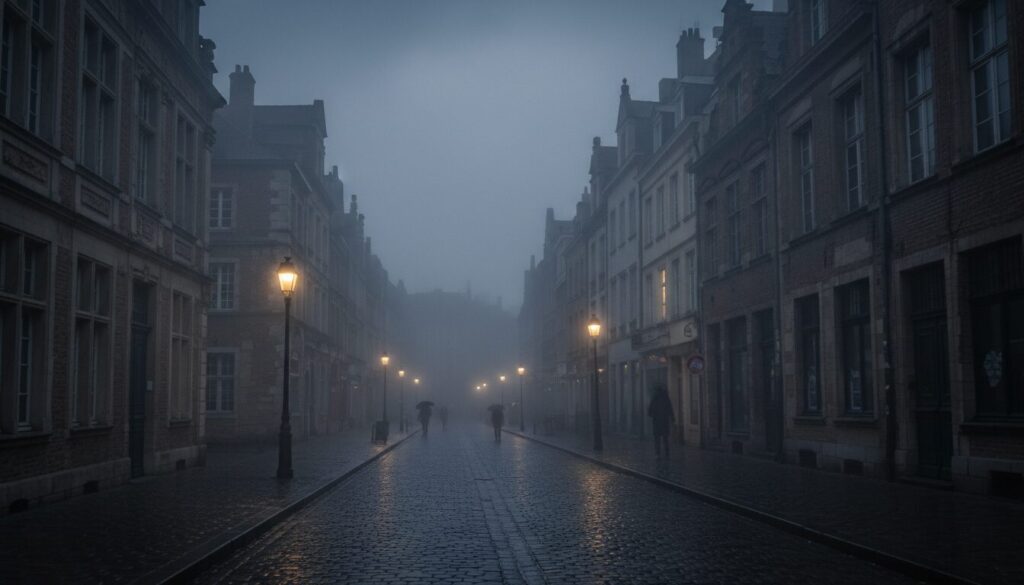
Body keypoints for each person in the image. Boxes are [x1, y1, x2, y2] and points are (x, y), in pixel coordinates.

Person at [648, 386, 675, 458]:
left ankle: (658, 454)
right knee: (665, 439)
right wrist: (672, 418)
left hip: (656, 422)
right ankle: (667, 453)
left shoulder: (654, 398)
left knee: (657, 440)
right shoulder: (666, 398)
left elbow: (649, 412)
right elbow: (670, 409)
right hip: (664, 422)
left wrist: (653, 414)